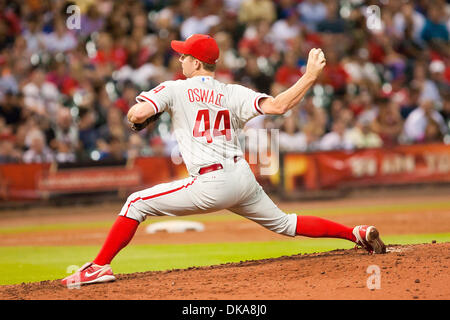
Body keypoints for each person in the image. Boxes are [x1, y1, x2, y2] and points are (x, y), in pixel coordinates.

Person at [62, 34, 386, 287]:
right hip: (242, 179)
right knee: (286, 223)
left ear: (196, 62)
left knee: (135, 202)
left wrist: (138, 120)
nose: (180, 59)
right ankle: (355, 233)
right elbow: (277, 107)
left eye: (184, 55)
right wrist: (310, 76)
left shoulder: (175, 88)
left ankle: (99, 266)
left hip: (210, 182)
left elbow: (137, 113)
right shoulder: (233, 92)